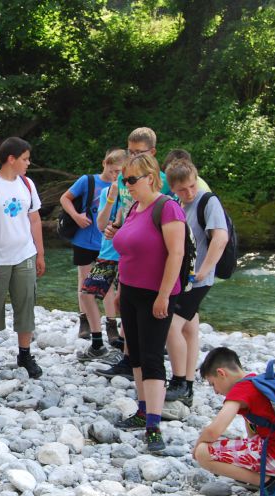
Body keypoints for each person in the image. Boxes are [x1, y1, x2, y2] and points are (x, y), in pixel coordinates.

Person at [108, 153, 186, 452]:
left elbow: (175, 255)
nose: (126, 185)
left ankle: (154, 425)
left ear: (150, 178)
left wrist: (164, 295)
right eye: (123, 179)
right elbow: (131, 248)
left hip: (156, 293)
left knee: (152, 356)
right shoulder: (135, 208)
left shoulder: (168, 208)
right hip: (130, 289)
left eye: (131, 179)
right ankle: (143, 411)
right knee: (136, 354)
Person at [95, 127, 175, 379]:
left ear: (152, 153)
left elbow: (173, 226)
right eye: (130, 151)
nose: (132, 156)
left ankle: (146, 364)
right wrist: (115, 228)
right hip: (125, 251)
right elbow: (124, 212)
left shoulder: (163, 181)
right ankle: (130, 359)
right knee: (124, 307)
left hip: (150, 257)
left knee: (148, 313)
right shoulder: (122, 178)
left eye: (139, 152)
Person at [195, 347, 275, 496]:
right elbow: (254, 434)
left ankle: (271, 485)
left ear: (221, 373)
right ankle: (257, 478)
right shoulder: (258, 381)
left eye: (213, 384)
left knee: (203, 452)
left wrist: (197, 447)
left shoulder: (241, 390)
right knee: (247, 444)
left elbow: (214, 431)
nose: (215, 391)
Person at [0, 136, 44, 379]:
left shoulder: (27, 184)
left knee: (26, 305)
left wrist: (40, 254)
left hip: (25, 255)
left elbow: (34, 219)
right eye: (25, 159)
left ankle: (25, 354)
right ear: (11, 159)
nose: (28, 163)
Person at [164, 160, 229, 405]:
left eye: (191, 186)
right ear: (173, 189)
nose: (189, 193)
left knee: (172, 326)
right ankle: (189, 388)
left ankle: (179, 381)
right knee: (189, 329)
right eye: (182, 190)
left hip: (197, 280)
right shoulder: (179, 204)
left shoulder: (208, 201)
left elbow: (220, 238)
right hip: (184, 279)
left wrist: (203, 270)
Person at [60, 147, 126, 360]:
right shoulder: (90, 182)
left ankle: (111, 325)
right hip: (85, 239)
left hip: (109, 246)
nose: (115, 175)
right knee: (86, 281)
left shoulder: (128, 190)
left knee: (108, 288)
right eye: (112, 169)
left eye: (119, 171)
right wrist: (77, 216)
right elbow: (66, 198)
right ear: (104, 164)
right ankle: (86, 322)